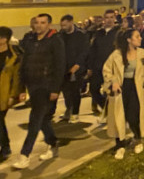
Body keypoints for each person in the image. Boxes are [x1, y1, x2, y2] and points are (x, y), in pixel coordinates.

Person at [12, 13, 65, 170]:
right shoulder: (30, 41)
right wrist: (22, 88)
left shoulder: (55, 41)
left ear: (49, 24)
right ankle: (53, 143)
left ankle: (24, 155)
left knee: (35, 119)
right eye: (37, 22)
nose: (39, 25)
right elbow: (23, 64)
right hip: (32, 85)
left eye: (43, 22)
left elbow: (60, 65)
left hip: (46, 85)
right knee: (42, 120)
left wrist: (55, 89)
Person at [103, 28, 144, 160]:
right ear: (129, 40)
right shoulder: (117, 54)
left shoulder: (142, 53)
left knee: (134, 115)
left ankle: (138, 139)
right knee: (119, 116)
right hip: (120, 88)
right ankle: (120, 145)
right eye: (137, 36)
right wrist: (113, 82)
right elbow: (107, 70)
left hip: (136, 88)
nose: (140, 38)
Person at [86, 9, 119, 117]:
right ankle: (107, 108)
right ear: (104, 19)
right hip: (98, 66)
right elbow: (92, 50)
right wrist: (90, 66)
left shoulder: (118, 33)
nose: (109, 20)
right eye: (107, 17)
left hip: (111, 68)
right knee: (93, 89)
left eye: (111, 17)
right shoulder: (98, 33)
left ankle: (111, 113)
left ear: (114, 18)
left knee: (110, 92)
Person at [59, 14, 89, 123]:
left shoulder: (81, 35)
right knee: (66, 91)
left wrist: (78, 64)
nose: (63, 27)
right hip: (64, 68)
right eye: (62, 25)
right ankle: (69, 109)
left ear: (71, 22)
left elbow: (85, 51)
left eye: (65, 25)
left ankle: (75, 113)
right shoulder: (61, 35)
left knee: (75, 91)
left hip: (77, 68)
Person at [0, 26, 23, 162]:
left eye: (2, 37)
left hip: (5, 93)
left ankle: (6, 147)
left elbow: (17, 79)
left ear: (6, 39)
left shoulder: (13, 56)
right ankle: (5, 145)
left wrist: (13, 96)